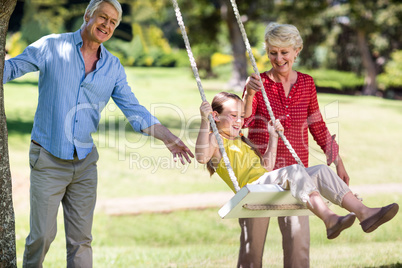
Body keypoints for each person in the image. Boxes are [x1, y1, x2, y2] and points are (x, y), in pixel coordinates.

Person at [3, 0, 194, 266]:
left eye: (113, 22)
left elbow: (134, 110)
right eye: (102, 17)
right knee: (42, 236)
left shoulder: (112, 67)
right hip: (48, 157)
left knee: (81, 241)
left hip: (84, 163)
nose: (107, 25)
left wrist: (169, 138)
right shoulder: (52, 46)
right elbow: (13, 67)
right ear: (88, 15)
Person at [195, 92, 398, 256]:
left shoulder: (242, 141)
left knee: (320, 170)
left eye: (241, 116)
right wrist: (205, 122)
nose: (239, 121)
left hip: (265, 181)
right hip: (252, 188)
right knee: (294, 170)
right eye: (233, 115)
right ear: (216, 116)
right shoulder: (215, 140)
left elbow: (267, 167)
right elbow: (202, 157)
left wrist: (273, 137)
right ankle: (329, 219)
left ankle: (365, 213)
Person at [240, 22, 350, 268]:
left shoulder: (307, 84)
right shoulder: (258, 83)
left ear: (296, 50)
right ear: (267, 52)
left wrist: (338, 161)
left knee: (298, 247)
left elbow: (318, 126)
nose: (278, 58)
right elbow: (244, 121)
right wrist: (248, 94)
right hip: (261, 175)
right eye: (272, 52)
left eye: (284, 52)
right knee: (251, 251)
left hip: (298, 176)